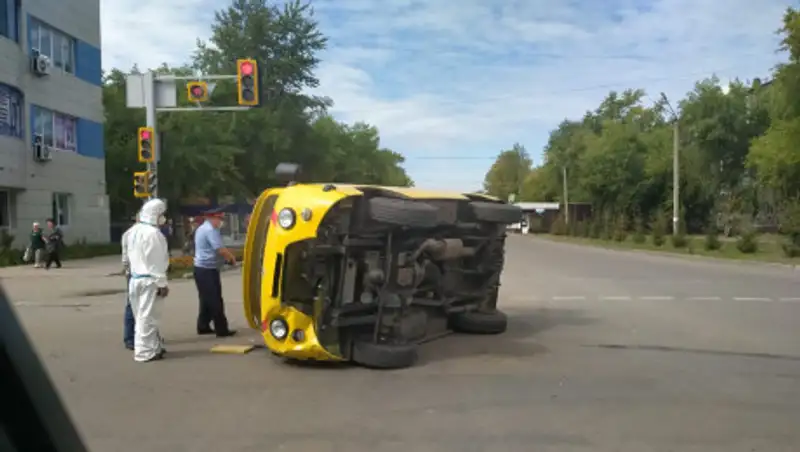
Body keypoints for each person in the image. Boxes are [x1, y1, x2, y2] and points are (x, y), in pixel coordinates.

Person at [125, 199, 170, 362]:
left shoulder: (134, 231)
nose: (163, 218)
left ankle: (153, 347)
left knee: (141, 317)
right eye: (162, 214)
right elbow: (156, 261)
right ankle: (145, 352)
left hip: (135, 279)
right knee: (148, 318)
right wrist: (162, 283)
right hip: (149, 281)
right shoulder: (153, 234)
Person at [193, 210, 237, 337]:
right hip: (206, 270)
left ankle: (203, 325)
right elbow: (220, 249)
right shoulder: (209, 230)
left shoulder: (206, 228)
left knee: (206, 299)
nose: (221, 222)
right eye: (220, 219)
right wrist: (231, 258)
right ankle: (222, 329)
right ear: (212, 218)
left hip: (205, 268)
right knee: (215, 300)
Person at [120, 215, 137, 350]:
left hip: (137, 273)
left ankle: (146, 336)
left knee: (148, 307)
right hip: (135, 273)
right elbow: (126, 258)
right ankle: (129, 337)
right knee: (132, 305)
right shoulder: (131, 234)